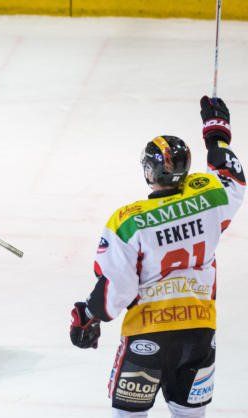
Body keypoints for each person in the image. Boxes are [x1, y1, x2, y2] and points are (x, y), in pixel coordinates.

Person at [69, 96, 244, 417]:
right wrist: (217, 134)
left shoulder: (128, 221)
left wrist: (90, 314)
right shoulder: (209, 196)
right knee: (190, 414)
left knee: (130, 414)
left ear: (150, 172)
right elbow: (232, 178)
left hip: (147, 334)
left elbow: (117, 288)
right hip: (199, 332)